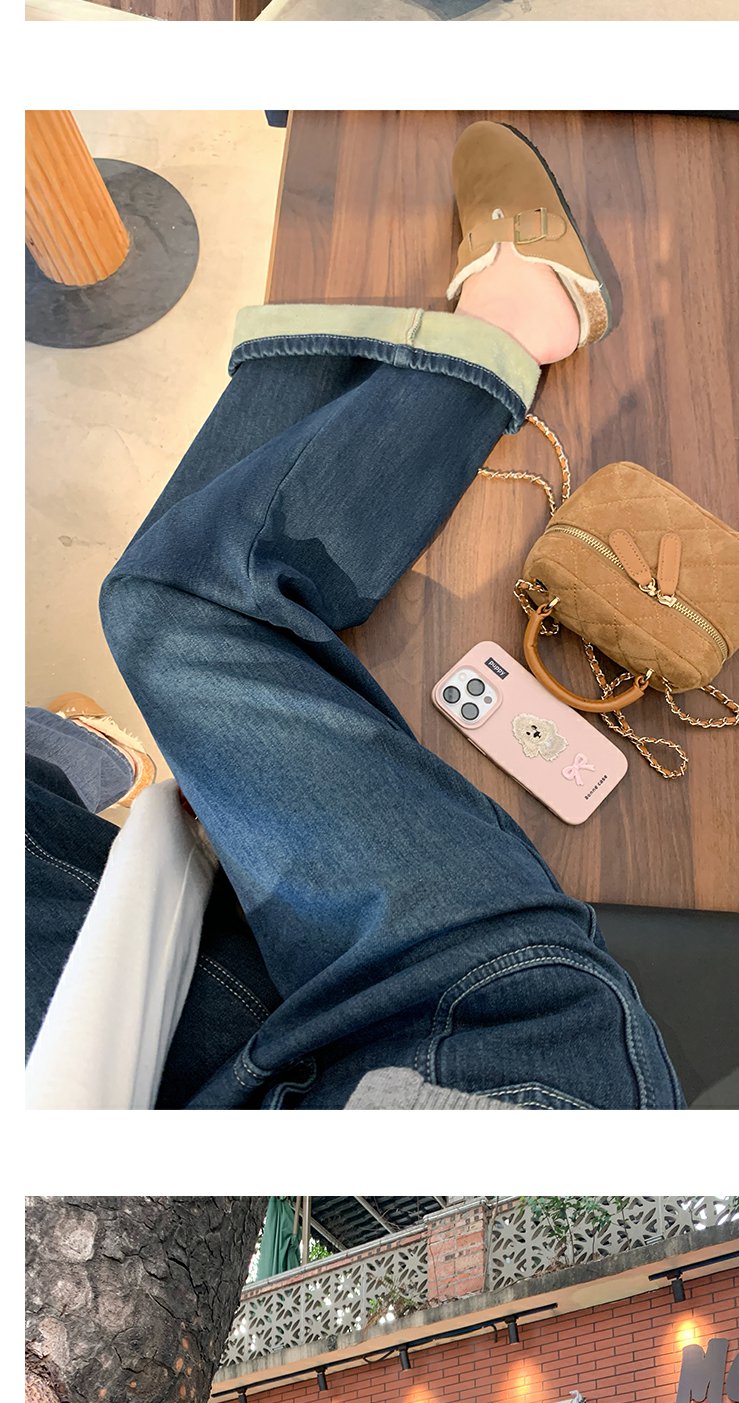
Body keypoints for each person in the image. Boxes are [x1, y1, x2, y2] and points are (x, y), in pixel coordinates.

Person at [26, 122, 685, 1110]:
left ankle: (60, 764)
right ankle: (510, 327)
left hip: (187, 1103)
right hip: (463, 1056)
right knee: (178, 609)